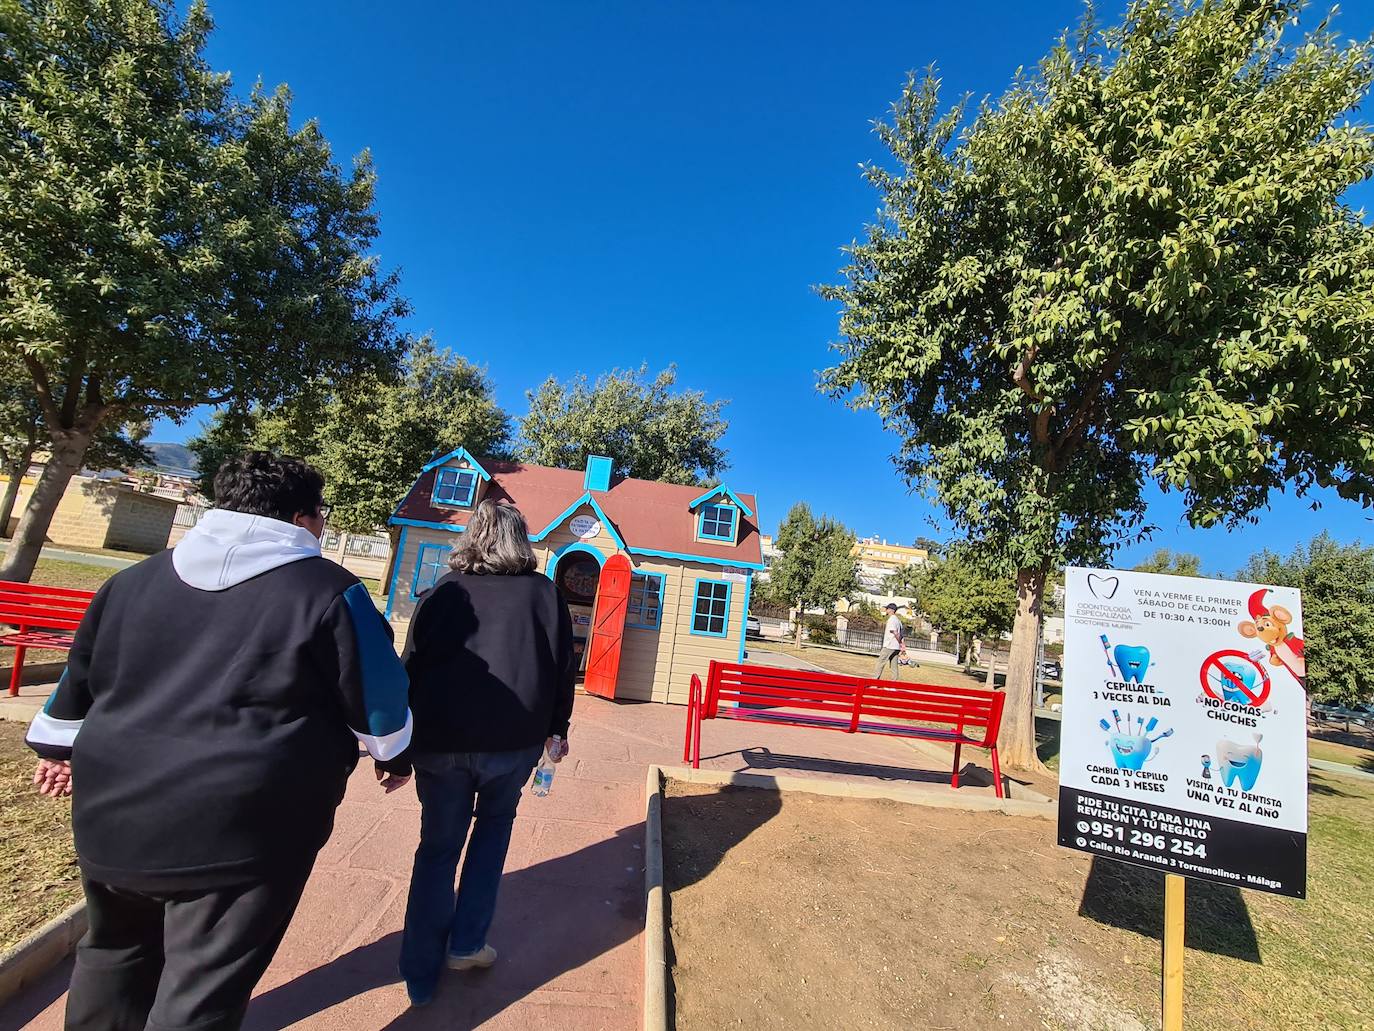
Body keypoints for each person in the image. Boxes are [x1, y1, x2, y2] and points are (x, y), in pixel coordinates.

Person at [27, 452, 412, 1031]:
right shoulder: (330, 591)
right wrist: (395, 756)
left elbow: (72, 693)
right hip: (244, 830)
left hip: (113, 812)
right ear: (306, 517)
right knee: (203, 987)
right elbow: (379, 703)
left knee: (111, 956)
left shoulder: (131, 582)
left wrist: (59, 751)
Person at [384, 499, 576, 1007]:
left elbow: (411, 668)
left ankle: (419, 970)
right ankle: (466, 943)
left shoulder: (445, 591)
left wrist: (397, 751)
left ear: (473, 536)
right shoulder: (544, 594)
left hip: (441, 741)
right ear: (521, 539)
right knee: (491, 838)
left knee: (437, 848)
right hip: (513, 744)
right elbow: (562, 669)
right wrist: (559, 727)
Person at [873, 602, 911, 680]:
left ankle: (874, 680)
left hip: (889, 645)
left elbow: (895, 633)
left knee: (880, 663)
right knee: (894, 666)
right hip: (896, 647)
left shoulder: (892, 620)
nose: (886, 610)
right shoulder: (898, 621)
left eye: (887, 609)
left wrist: (900, 642)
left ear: (891, 610)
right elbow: (901, 634)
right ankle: (893, 683)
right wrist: (901, 645)